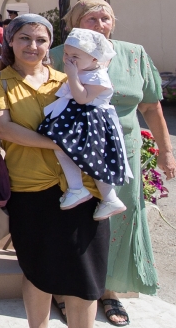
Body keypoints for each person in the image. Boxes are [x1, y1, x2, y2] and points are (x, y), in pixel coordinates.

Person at [0, 15, 103, 328]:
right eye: (24, 39)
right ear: (11, 42)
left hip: (82, 189)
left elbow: (98, 115)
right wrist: (59, 145)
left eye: (40, 39)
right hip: (31, 190)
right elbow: (6, 129)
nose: (33, 46)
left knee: (84, 280)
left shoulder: (68, 80)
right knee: (37, 271)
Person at [50, 0, 176, 327]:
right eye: (90, 19)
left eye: (105, 18)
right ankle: (69, 291)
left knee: (119, 219)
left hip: (125, 149)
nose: (99, 24)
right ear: (75, 24)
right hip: (77, 149)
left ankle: (109, 290)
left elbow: (151, 107)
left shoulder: (133, 54)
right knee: (74, 217)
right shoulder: (58, 53)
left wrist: (166, 151)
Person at [40, 28, 130, 219]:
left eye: (75, 56)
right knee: (60, 147)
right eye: (66, 54)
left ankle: (109, 198)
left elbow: (82, 98)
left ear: (95, 59)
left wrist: (71, 75)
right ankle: (76, 188)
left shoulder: (99, 77)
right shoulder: (83, 70)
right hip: (79, 117)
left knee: (94, 159)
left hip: (94, 121)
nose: (69, 59)